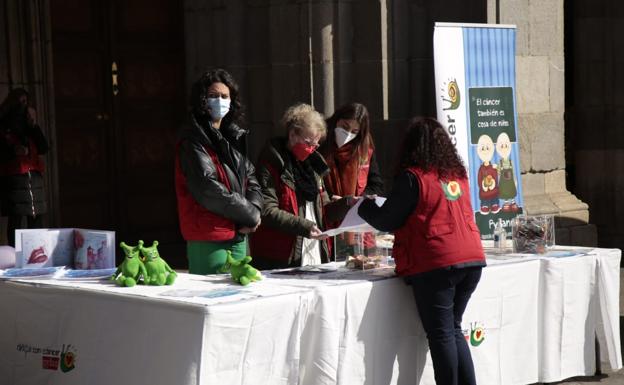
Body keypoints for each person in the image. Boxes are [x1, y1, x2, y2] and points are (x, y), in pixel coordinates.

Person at [359, 117, 485, 385]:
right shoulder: (457, 176)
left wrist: (364, 205)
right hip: (471, 259)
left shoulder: (413, 177)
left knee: (441, 334)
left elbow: (387, 220)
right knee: (452, 328)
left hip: (438, 262)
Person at [175, 69, 262, 274]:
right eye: (213, 96)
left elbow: (251, 179)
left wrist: (255, 212)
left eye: (225, 96)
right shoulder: (193, 139)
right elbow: (207, 188)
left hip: (239, 232)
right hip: (209, 235)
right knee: (214, 295)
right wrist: (249, 214)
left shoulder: (233, 137)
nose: (220, 100)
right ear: (202, 100)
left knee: (241, 295)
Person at [250, 103, 349, 270]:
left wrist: (347, 204)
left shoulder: (314, 166)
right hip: (282, 255)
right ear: (292, 134)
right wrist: (304, 226)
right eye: (308, 142)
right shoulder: (271, 163)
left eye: (316, 145)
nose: (311, 149)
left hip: (314, 251)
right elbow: (267, 210)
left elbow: (323, 210)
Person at [319, 102, 384, 254]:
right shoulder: (320, 143)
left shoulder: (364, 148)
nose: (348, 133)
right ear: (337, 120)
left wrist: (357, 199)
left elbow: (376, 184)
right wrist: (329, 199)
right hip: (327, 221)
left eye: (354, 131)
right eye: (345, 126)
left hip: (356, 224)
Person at [0, 88, 49, 247]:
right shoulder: (4, 123)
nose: (22, 105)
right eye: (19, 101)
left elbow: (43, 147)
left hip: (33, 177)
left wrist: (33, 126)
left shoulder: (29, 124)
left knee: (36, 217)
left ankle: (36, 255)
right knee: (16, 219)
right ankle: (15, 256)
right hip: (15, 178)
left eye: (25, 102)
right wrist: (14, 151)